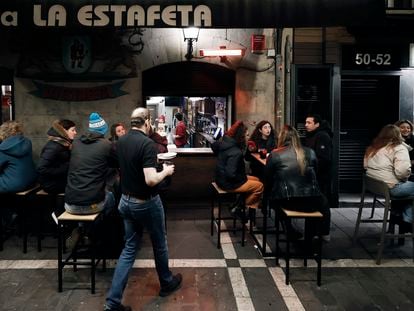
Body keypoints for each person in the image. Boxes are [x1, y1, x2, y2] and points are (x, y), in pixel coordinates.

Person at [104, 108, 181, 311]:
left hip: (125, 202)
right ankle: (166, 282)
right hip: (145, 202)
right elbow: (150, 179)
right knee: (160, 243)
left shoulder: (120, 141)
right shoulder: (147, 143)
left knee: (129, 250)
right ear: (147, 121)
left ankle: (112, 303)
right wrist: (165, 171)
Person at [265, 125, 331, 239]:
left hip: (287, 201)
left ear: (281, 138)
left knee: (274, 197)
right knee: (323, 201)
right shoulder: (310, 152)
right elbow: (316, 172)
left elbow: (268, 179)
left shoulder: (275, 154)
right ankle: (315, 237)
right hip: (311, 202)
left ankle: (289, 229)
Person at [364, 124, 413, 233]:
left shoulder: (373, 147)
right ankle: (407, 221)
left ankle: (401, 216)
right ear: (398, 134)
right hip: (392, 187)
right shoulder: (399, 148)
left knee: (409, 195)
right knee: (409, 189)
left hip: (377, 186)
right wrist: (404, 178)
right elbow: (403, 172)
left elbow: (365, 166)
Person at [64, 112, 116, 215]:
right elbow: (116, 163)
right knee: (111, 197)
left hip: (70, 205)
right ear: (103, 130)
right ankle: (99, 228)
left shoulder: (76, 143)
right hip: (93, 206)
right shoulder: (106, 144)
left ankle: (81, 228)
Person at [211, 121, 264, 218]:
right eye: (247, 135)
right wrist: (244, 178)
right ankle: (239, 208)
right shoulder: (236, 152)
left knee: (256, 180)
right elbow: (231, 174)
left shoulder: (224, 142)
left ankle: (236, 205)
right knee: (259, 186)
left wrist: (244, 177)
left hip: (220, 178)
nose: (249, 137)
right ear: (241, 137)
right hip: (228, 183)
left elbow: (213, 146)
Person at [37, 119, 77, 194]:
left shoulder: (63, 143)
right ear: (64, 131)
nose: (75, 132)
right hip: (51, 184)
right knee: (80, 186)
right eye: (73, 130)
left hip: (59, 179)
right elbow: (41, 169)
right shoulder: (54, 147)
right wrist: (67, 167)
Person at [0, 121, 37, 193]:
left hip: (15, 184)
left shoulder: (3, 148)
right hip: (31, 180)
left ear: (2, 134)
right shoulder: (26, 142)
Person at [304, 114, 333, 203]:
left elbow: (324, 159)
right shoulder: (311, 135)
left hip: (320, 176)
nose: (306, 125)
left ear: (317, 124)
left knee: (320, 200)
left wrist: (311, 169)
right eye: (305, 122)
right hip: (313, 174)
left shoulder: (322, 136)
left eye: (309, 122)